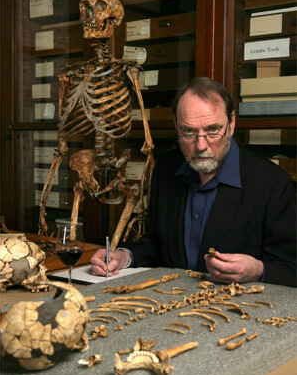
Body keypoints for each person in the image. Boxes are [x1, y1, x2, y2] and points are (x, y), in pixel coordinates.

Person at [91, 77, 296, 287]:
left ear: (232, 123)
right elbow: (157, 243)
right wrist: (125, 257)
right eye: (188, 132)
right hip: (169, 306)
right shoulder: (166, 169)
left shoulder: (272, 183)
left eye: (213, 130)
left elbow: (292, 269)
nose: (200, 146)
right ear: (176, 126)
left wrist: (258, 270)